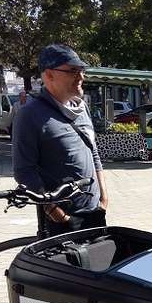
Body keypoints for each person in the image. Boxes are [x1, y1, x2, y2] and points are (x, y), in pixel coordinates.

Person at [13, 44, 108, 236]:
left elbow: (93, 152)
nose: (81, 77)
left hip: (95, 212)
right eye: (72, 71)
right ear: (49, 75)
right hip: (63, 220)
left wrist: (104, 199)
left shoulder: (81, 108)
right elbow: (24, 171)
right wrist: (59, 215)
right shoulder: (30, 114)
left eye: (81, 70)